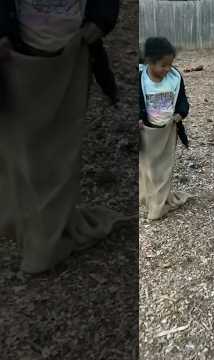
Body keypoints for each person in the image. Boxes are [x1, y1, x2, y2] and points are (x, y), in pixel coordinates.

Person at [0, 0, 125, 274]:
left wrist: (100, 20)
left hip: (72, 51)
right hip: (18, 53)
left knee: (62, 148)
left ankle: (48, 232)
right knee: (23, 146)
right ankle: (31, 225)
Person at [139, 37, 191, 220]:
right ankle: (148, 197)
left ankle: (158, 207)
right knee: (148, 168)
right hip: (147, 132)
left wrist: (180, 114)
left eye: (170, 64)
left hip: (168, 130)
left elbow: (183, 101)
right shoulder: (141, 78)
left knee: (164, 169)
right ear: (149, 62)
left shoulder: (174, 78)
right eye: (163, 65)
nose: (168, 69)